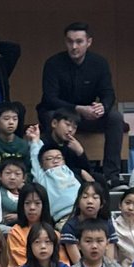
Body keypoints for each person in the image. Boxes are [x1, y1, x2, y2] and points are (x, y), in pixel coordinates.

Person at [37, 22, 124, 186]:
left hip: (88, 116)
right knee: (51, 117)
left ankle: (111, 175)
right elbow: (50, 98)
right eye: (70, 41)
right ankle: (59, 171)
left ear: (89, 42)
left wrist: (102, 106)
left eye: (79, 41)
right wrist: (77, 109)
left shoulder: (99, 63)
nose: (74, 46)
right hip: (61, 114)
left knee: (114, 117)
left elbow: (108, 93)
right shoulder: (53, 63)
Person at [59, 181, 117, 265]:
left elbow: (110, 261)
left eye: (95, 197)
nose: (90, 201)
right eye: (85, 197)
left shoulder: (108, 226)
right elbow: (77, 264)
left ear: (101, 204)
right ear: (78, 202)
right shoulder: (70, 228)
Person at [7, 182, 53, 267]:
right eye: (27, 203)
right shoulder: (16, 232)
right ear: (21, 206)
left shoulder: (54, 234)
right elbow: (22, 263)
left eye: (37, 203)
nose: (32, 207)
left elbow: (63, 264)